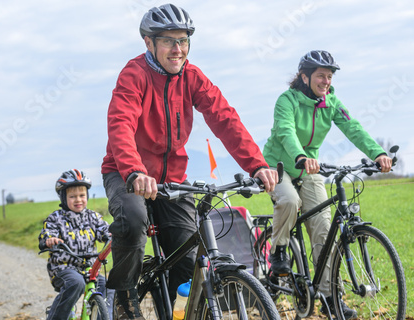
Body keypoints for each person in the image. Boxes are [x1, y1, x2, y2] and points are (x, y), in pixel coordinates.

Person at [101, 4, 279, 320]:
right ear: (149, 43)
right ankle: (124, 296)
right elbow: (121, 123)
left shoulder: (192, 77)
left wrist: (256, 164)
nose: (178, 49)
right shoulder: (135, 74)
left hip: (171, 181)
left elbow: (225, 118)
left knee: (188, 256)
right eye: (169, 41)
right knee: (132, 220)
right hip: (127, 173)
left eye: (183, 40)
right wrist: (134, 171)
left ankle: (178, 312)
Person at [263, 50, 392, 319]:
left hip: (309, 167)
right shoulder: (286, 101)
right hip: (279, 166)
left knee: (324, 229)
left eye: (329, 76)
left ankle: (331, 298)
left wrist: (377, 153)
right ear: (304, 76)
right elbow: (286, 130)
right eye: (321, 75)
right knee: (289, 200)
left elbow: (353, 127)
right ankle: (278, 250)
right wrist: (299, 155)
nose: (326, 81)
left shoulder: (330, 102)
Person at [39, 169, 113, 320]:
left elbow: (103, 229)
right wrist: (50, 239)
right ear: (63, 198)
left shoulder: (93, 217)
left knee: (108, 286)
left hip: (90, 269)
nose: (78, 200)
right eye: (72, 196)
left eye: (82, 195)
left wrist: (111, 234)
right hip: (63, 268)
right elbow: (47, 233)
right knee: (76, 283)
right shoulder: (56, 218)